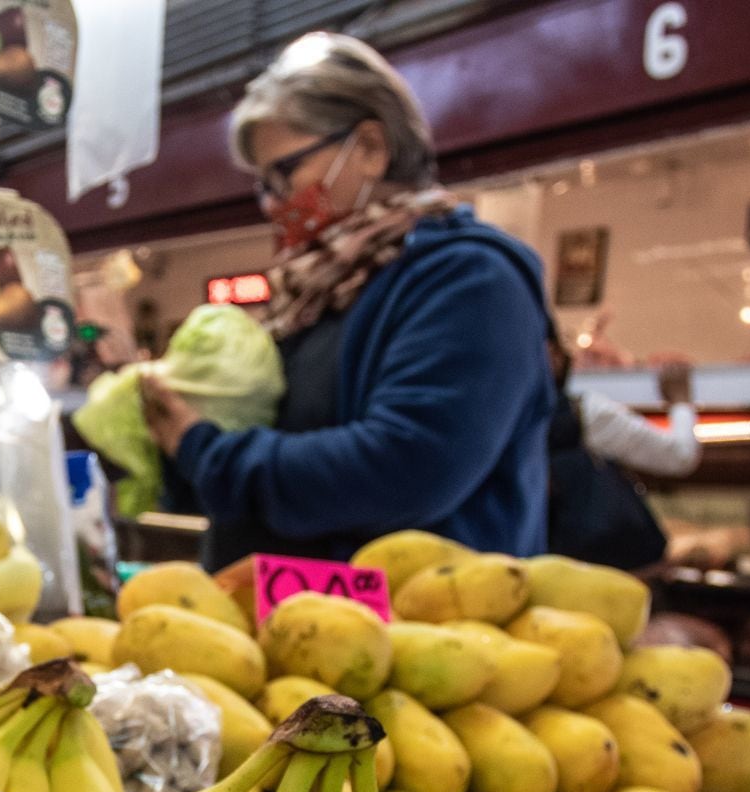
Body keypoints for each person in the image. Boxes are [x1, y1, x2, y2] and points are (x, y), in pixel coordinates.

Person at [140, 32, 555, 571]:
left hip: (419, 633)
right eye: (263, 185)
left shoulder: (470, 278)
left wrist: (202, 450)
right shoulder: (319, 289)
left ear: (370, 149)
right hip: (297, 625)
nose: (273, 204)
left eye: (284, 174)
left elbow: (403, 470)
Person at [544, 331, 698, 570]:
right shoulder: (586, 413)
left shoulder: (496, 415)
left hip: (536, 565)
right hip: (604, 567)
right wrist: (681, 403)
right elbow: (679, 456)